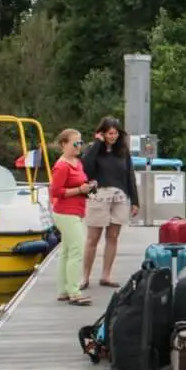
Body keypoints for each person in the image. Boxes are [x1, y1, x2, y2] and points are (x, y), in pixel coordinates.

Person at [80, 116, 140, 289]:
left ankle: (106, 275)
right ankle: (85, 276)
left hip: (119, 197)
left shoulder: (123, 151)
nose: (113, 136)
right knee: (93, 238)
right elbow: (86, 168)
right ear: (102, 133)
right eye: (109, 133)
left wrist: (135, 201)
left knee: (113, 237)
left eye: (115, 133)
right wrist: (97, 144)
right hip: (99, 195)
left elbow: (130, 176)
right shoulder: (94, 149)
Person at [49, 129, 93, 306]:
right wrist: (79, 190)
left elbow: (80, 182)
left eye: (80, 143)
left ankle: (64, 290)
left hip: (76, 211)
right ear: (63, 145)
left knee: (67, 251)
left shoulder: (77, 162)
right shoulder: (61, 166)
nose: (79, 146)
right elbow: (56, 191)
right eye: (75, 143)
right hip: (65, 212)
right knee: (77, 249)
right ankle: (74, 291)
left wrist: (87, 187)